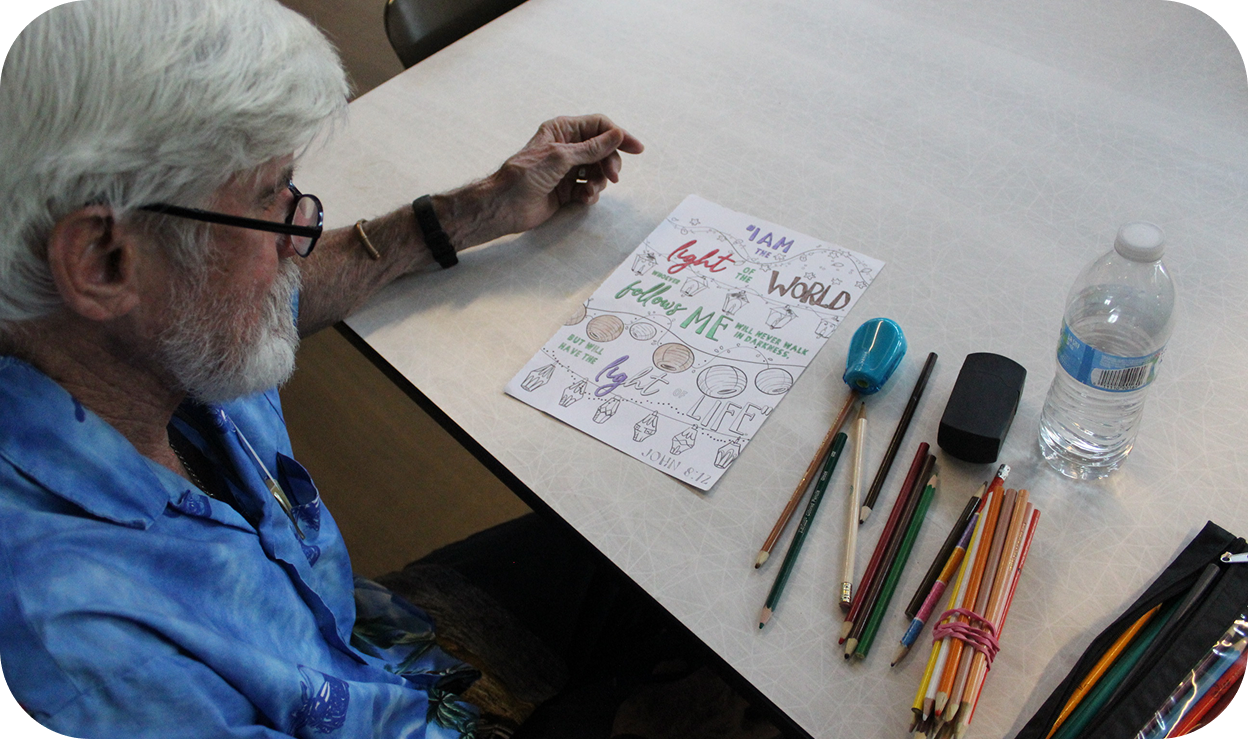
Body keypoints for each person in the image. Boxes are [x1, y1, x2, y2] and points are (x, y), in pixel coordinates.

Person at [0, 1, 653, 737]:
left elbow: (266, 290)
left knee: (652, 558)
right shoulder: (78, 645)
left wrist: (480, 208)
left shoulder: (149, 327)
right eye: (268, 196)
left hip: (373, 651)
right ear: (103, 260)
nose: (304, 228)